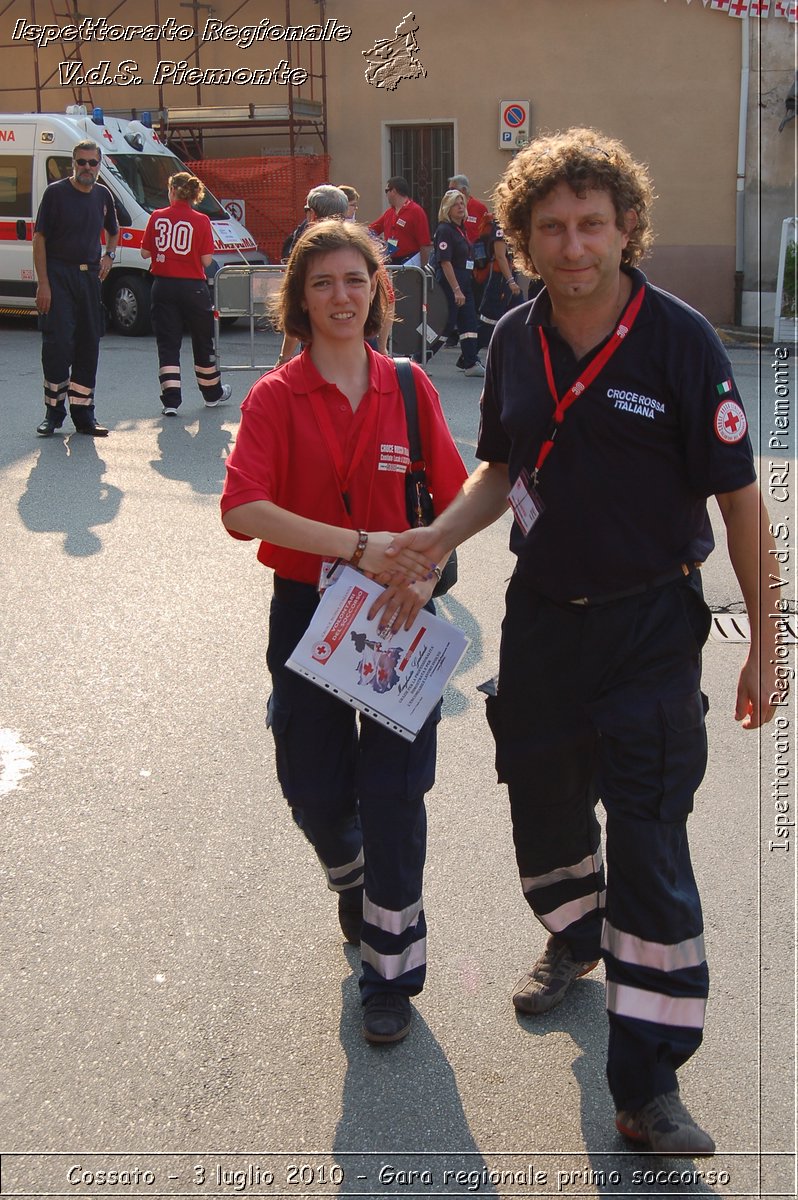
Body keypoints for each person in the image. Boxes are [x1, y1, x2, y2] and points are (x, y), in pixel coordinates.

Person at [386, 127, 778, 1153]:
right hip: (543, 620)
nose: (572, 246)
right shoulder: (515, 339)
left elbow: (742, 504)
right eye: (551, 228)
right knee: (546, 816)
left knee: (650, 844)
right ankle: (574, 938)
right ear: (521, 237)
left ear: (627, 228)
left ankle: (648, 1086)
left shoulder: (682, 341)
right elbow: (504, 467)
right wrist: (435, 535)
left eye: (591, 225)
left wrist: (766, 643)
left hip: (653, 624)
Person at [220, 220, 467, 1045]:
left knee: (397, 795)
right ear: (300, 298)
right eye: (322, 282)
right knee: (315, 788)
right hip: (309, 612)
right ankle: (349, 873)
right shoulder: (274, 397)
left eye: (355, 280)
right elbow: (242, 509)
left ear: (378, 292)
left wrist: (426, 567)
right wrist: (359, 547)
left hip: (402, 613)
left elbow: (459, 497)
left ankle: (389, 975)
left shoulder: (408, 384)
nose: (341, 296)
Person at [33, 139, 119, 437]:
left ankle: (84, 416)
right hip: (59, 276)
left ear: (99, 164)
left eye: (92, 163)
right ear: (73, 163)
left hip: (89, 279)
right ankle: (53, 415)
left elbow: (114, 232)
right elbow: (39, 239)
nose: (86, 168)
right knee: (57, 346)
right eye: (81, 162)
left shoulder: (103, 195)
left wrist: (109, 256)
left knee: (88, 344)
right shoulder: (56, 194)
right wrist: (44, 284)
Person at [140, 173, 231, 416]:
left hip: (163, 285)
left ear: (172, 190)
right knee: (203, 340)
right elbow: (206, 260)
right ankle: (212, 393)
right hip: (193, 287)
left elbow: (144, 253)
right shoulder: (201, 220)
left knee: (168, 344)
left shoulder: (157, 217)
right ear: (193, 194)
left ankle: (171, 400)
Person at [433, 190, 483, 377]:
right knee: (445, 325)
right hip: (451, 284)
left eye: (462, 203)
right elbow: (445, 262)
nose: (461, 207)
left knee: (469, 322)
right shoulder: (445, 230)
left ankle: (470, 363)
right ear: (447, 208)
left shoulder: (460, 229)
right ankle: (419, 358)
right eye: (456, 204)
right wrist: (456, 289)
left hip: (465, 283)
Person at [474, 211, 525, 353]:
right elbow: (500, 256)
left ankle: (518, 352)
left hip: (509, 278)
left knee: (520, 316)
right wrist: (510, 281)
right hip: (501, 279)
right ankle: (469, 356)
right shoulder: (500, 226)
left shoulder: (512, 225)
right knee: (489, 321)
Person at [369, 177, 432, 267]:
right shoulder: (389, 213)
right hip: (391, 262)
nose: (386, 195)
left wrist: (423, 269)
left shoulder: (416, 211)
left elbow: (424, 244)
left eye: (387, 191)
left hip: (410, 262)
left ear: (394, 191)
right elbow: (371, 230)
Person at [447, 173, 489, 246]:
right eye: (449, 189)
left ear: (463, 190)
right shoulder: (449, 208)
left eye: (453, 189)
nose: (450, 192)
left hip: (476, 252)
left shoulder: (480, 208)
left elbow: (487, 233)